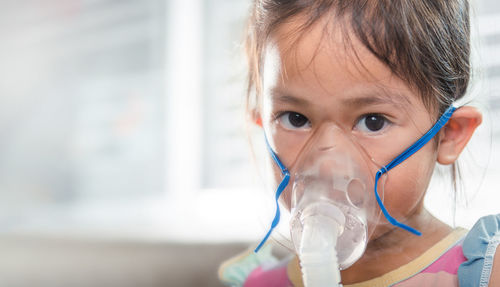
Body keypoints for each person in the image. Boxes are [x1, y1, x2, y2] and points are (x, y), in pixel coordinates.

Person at [219, 0, 500, 286]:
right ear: (262, 125)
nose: (327, 165)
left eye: (373, 121)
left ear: (448, 134)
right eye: (295, 118)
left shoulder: (483, 274)